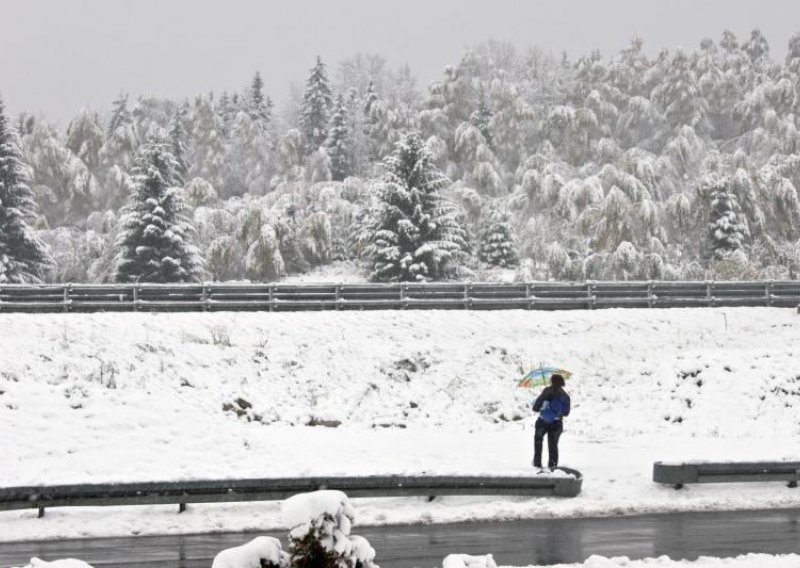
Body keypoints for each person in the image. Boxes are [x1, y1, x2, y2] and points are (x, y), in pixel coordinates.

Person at [531, 373, 571, 471]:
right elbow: (566, 413)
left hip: (542, 421)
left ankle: (537, 464)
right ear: (562, 383)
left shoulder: (546, 391)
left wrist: (544, 405)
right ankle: (552, 466)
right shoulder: (565, 396)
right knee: (553, 445)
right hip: (556, 423)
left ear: (552, 381)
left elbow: (535, 408)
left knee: (538, 440)